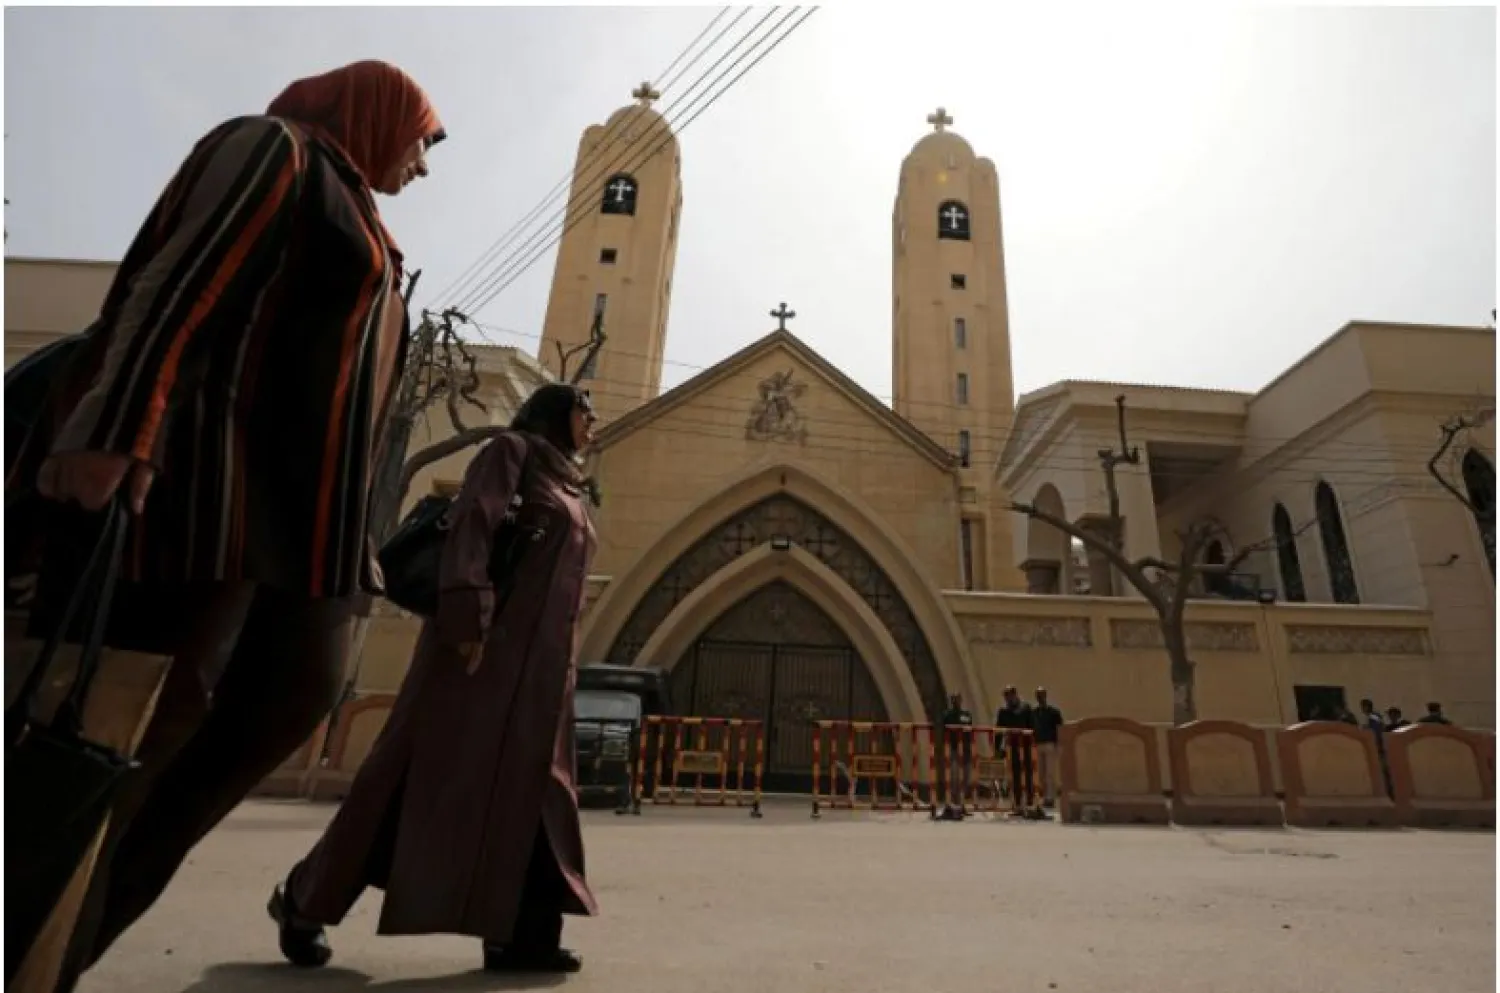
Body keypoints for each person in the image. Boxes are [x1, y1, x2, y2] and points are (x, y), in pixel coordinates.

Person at [17, 61, 445, 988]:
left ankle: (62, 951)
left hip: (306, 538)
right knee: (114, 751)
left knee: (251, 727)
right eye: (423, 133)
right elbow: (178, 287)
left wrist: (356, 535)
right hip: (205, 498)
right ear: (371, 110)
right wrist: (120, 427)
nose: (425, 158)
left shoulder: (364, 216)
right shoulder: (274, 151)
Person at [269, 384, 601, 975]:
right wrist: (467, 616)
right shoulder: (512, 452)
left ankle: (521, 936)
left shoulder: (569, 487)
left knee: (537, 797)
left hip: (543, 676)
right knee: (405, 782)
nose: (592, 424)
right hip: (476, 656)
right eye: (585, 412)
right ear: (557, 413)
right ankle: (303, 900)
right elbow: (474, 523)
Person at [995, 686, 1036, 814]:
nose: (1007, 698)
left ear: (1015, 695)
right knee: (1015, 774)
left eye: (1009, 695)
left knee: (1028, 773)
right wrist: (998, 748)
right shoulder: (1003, 711)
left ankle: (1030, 802)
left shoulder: (1025, 708)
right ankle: (1017, 803)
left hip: (1026, 745)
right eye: (1005, 696)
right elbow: (999, 730)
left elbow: (1032, 725)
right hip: (1012, 746)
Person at [938, 694, 973, 820]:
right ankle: (953, 806)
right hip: (953, 750)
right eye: (953, 699)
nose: (956, 701)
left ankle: (962, 805)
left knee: (965, 778)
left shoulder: (966, 714)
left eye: (958, 699)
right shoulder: (947, 715)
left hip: (966, 750)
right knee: (954, 779)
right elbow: (943, 731)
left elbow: (970, 731)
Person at [1031, 687, 1064, 808]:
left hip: (1050, 743)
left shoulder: (1053, 712)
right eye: (1038, 695)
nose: (1040, 698)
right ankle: (1043, 796)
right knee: (1040, 773)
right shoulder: (1034, 713)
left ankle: (1050, 797)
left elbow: (1059, 729)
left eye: (1041, 695)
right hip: (1038, 744)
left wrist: (1059, 743)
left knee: (1050, 773)